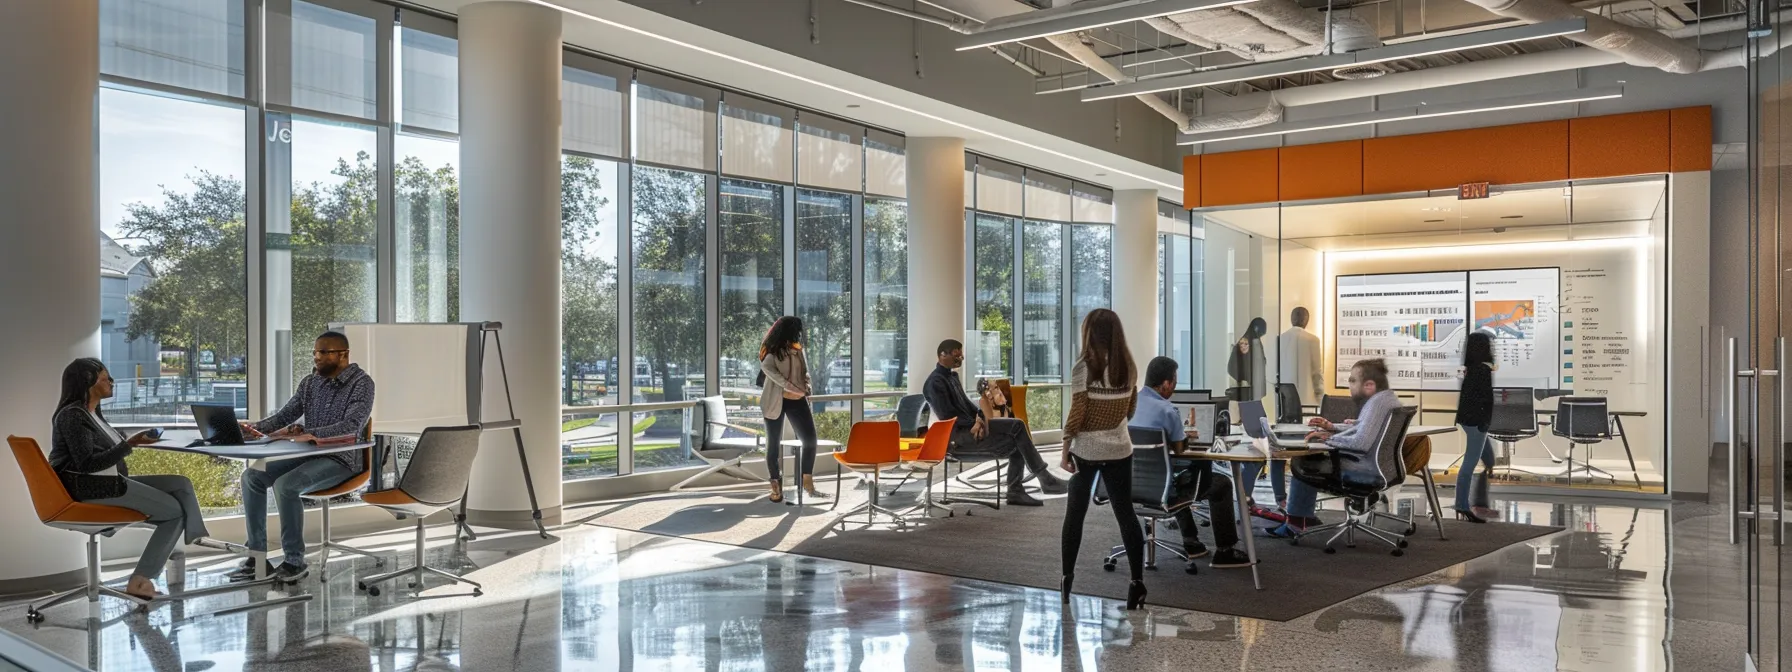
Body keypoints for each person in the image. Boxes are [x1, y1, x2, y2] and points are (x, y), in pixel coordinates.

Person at [49, 358, 215, 600]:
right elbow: (86, 464)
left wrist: (131, 440)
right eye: (105, 378)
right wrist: (130, 444)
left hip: (107, 482)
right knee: (175, 513)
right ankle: (140, 580)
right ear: (87, 382)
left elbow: (104, 451)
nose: (112, 382)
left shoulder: (92, 413)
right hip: (93, 489)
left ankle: (195, 533)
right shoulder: (73, 416)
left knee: (181, 483)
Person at [229, 331, 374, 582]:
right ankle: (257, 558)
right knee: (252, 476)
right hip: (308, 455)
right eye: (315, 352)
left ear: (343, 355)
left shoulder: (362, 383)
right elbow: (283, 417)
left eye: (323, 353)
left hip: (342, 459)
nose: (316, 358)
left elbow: (353, 425)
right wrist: (252, 429)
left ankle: (295, 562)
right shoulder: (310, 383)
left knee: (286, 485)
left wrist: (309, 433)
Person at [1059, 309, 1148, 609]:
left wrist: (1064, 449)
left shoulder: (1084, 367)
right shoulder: (1130, 366)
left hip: (1087, 451)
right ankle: (1137, 584)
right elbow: (1131, 409)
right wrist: (1112, 423)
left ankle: (1067, 580)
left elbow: (1077, 414)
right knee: (1126, 515)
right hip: (1120, 448)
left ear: (1088, 333)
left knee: (1075, 515)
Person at [1129, 356, 1251, 569]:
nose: (1174, 388)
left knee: (1173, 477)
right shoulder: (1168, 410)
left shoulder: (1129, 406)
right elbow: (1180, 449)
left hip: (1132, 484)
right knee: (1220, 484)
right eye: (1174, 382)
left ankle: (1191, 541)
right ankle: (1225, 551)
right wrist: (1190, 437)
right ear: (1166, 383)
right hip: (1163, 488)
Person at [1268, 358, 1402, 538]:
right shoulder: (1386, 399)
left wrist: (1329, 439)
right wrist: (1333, 428)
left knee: (1304, 461)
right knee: (1312, 459)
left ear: (1369, 385)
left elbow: (1360, 442)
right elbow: (1362, 428)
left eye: (1353, 381)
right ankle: (1304, 517)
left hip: (1365, 468)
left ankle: (1297, 523)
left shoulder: (1376, 404)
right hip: (1380, 466)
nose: (1349, 386)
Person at [923, 340, 1068, 507]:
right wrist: (976, 423)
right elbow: (948, 417)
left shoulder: (951, 377)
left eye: (961, 354)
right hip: (958, 439)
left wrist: (979, 418)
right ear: (943, 355)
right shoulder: (935, 382)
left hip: (971, 429)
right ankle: (1040, 481)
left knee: (1018, 435)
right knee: (1017, 427)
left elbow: (968, 407)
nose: (961, 357)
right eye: (957, 354)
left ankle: (1018, 490)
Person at [759, 316, 823, 503]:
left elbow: (805, 372)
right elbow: (772, 374)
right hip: (774, 401)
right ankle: (776, 488)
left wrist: (807, 386)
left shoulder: (797, 350)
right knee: (773, 445)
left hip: (797, 400)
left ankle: (807, 483)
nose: (799, 333)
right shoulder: (770, 354)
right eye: (796, 330)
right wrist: (791, 387)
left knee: (810, 440)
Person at [1453, 332, 1497, 523]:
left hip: (1470, 420)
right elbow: (1485, 400)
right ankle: (1462, 505)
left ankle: (1480, 501)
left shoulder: (1471, 368)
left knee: (1489, 459)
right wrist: (1484, 423)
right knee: (1468, 465)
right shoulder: (1482, 370)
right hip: (1477, 423)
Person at [1279, 307, 1324, 405]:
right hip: (1307, 398)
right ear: (1306, 320)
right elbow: (1317, 373)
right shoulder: (1313, 340)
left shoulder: (1280, 339)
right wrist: (1321, 398)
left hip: (1284, 399)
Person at [1227, 317, 1268, 401]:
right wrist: (1245, 379)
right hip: (1247, 389)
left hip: (1250, 387)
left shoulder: (1251, 341)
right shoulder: (1248, 342)